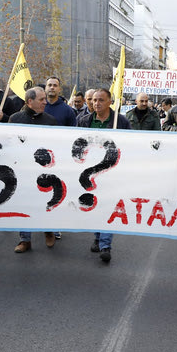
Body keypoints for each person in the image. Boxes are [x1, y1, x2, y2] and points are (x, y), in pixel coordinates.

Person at [77, 89, 131, 263]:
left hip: (112, 172)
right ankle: (98, 236)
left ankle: (105, 245)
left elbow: (130, 144)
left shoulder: (120, 121)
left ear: (110, 102)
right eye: (93, 100)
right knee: (95, 204)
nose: (96, 103)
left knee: (108, 206)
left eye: (101, 100)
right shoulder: (84, 121)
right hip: (90, 173)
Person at [9, 87, 58, 252]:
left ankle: (48, 230)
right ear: (30, 102)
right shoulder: (15, 119)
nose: (45, 102)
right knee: (24, 203)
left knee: (45, 201)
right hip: (23, 169)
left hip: (45, 169)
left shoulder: (51, 121)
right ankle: (25, 240)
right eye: (41, 99)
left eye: (45, 99)